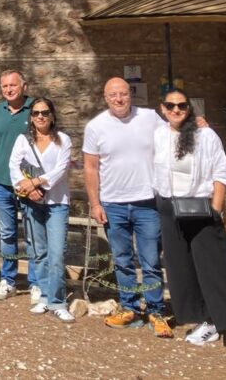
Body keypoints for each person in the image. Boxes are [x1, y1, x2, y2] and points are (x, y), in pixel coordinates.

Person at [153, 90, 226, 355]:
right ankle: (209, 321)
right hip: (168, 210)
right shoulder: (158, 133)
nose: (176, 110)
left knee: (220, 269)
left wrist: (216, 208)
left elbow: (221, 171)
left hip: (199, 210)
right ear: (162, 108)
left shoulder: (205, 135)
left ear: (189, 108)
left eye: (181, 105)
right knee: (183, 272)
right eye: (170, 106)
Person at [84, 77, 172, 337]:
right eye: (113, 95)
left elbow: (175, 135)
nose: (119, 99)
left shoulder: (150, 118)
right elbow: (91, 167)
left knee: (151, 261)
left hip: (147, 202)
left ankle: (156, 310)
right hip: (113, 204)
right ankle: (130, 308)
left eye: (123, 94)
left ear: (130, 95)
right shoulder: (95, 126)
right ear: (105, 97)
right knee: (122, 261)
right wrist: (95, 203)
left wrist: (197, 126)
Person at [9, 97, 74, 322]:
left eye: (44, 112)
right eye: (36, 113)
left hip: (57, 203)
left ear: (52, 115)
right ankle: (45, 296)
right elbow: (14, 166)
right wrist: (27, 189)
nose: (40, 116)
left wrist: (36, 183)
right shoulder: (23, 140)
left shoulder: (63, 140)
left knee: (56, 253)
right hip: (32, 202)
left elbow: (60, 170)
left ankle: (58, 301)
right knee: (39, 253)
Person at [0, 69, 38, 302]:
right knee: (7, 234)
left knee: (34, 234)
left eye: (13, 85)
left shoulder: (37, 108)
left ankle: (37, 282)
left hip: (30, 183)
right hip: (2, 182)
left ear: (24, 86)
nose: (9, 90)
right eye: (4, 86)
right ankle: (9, 280)